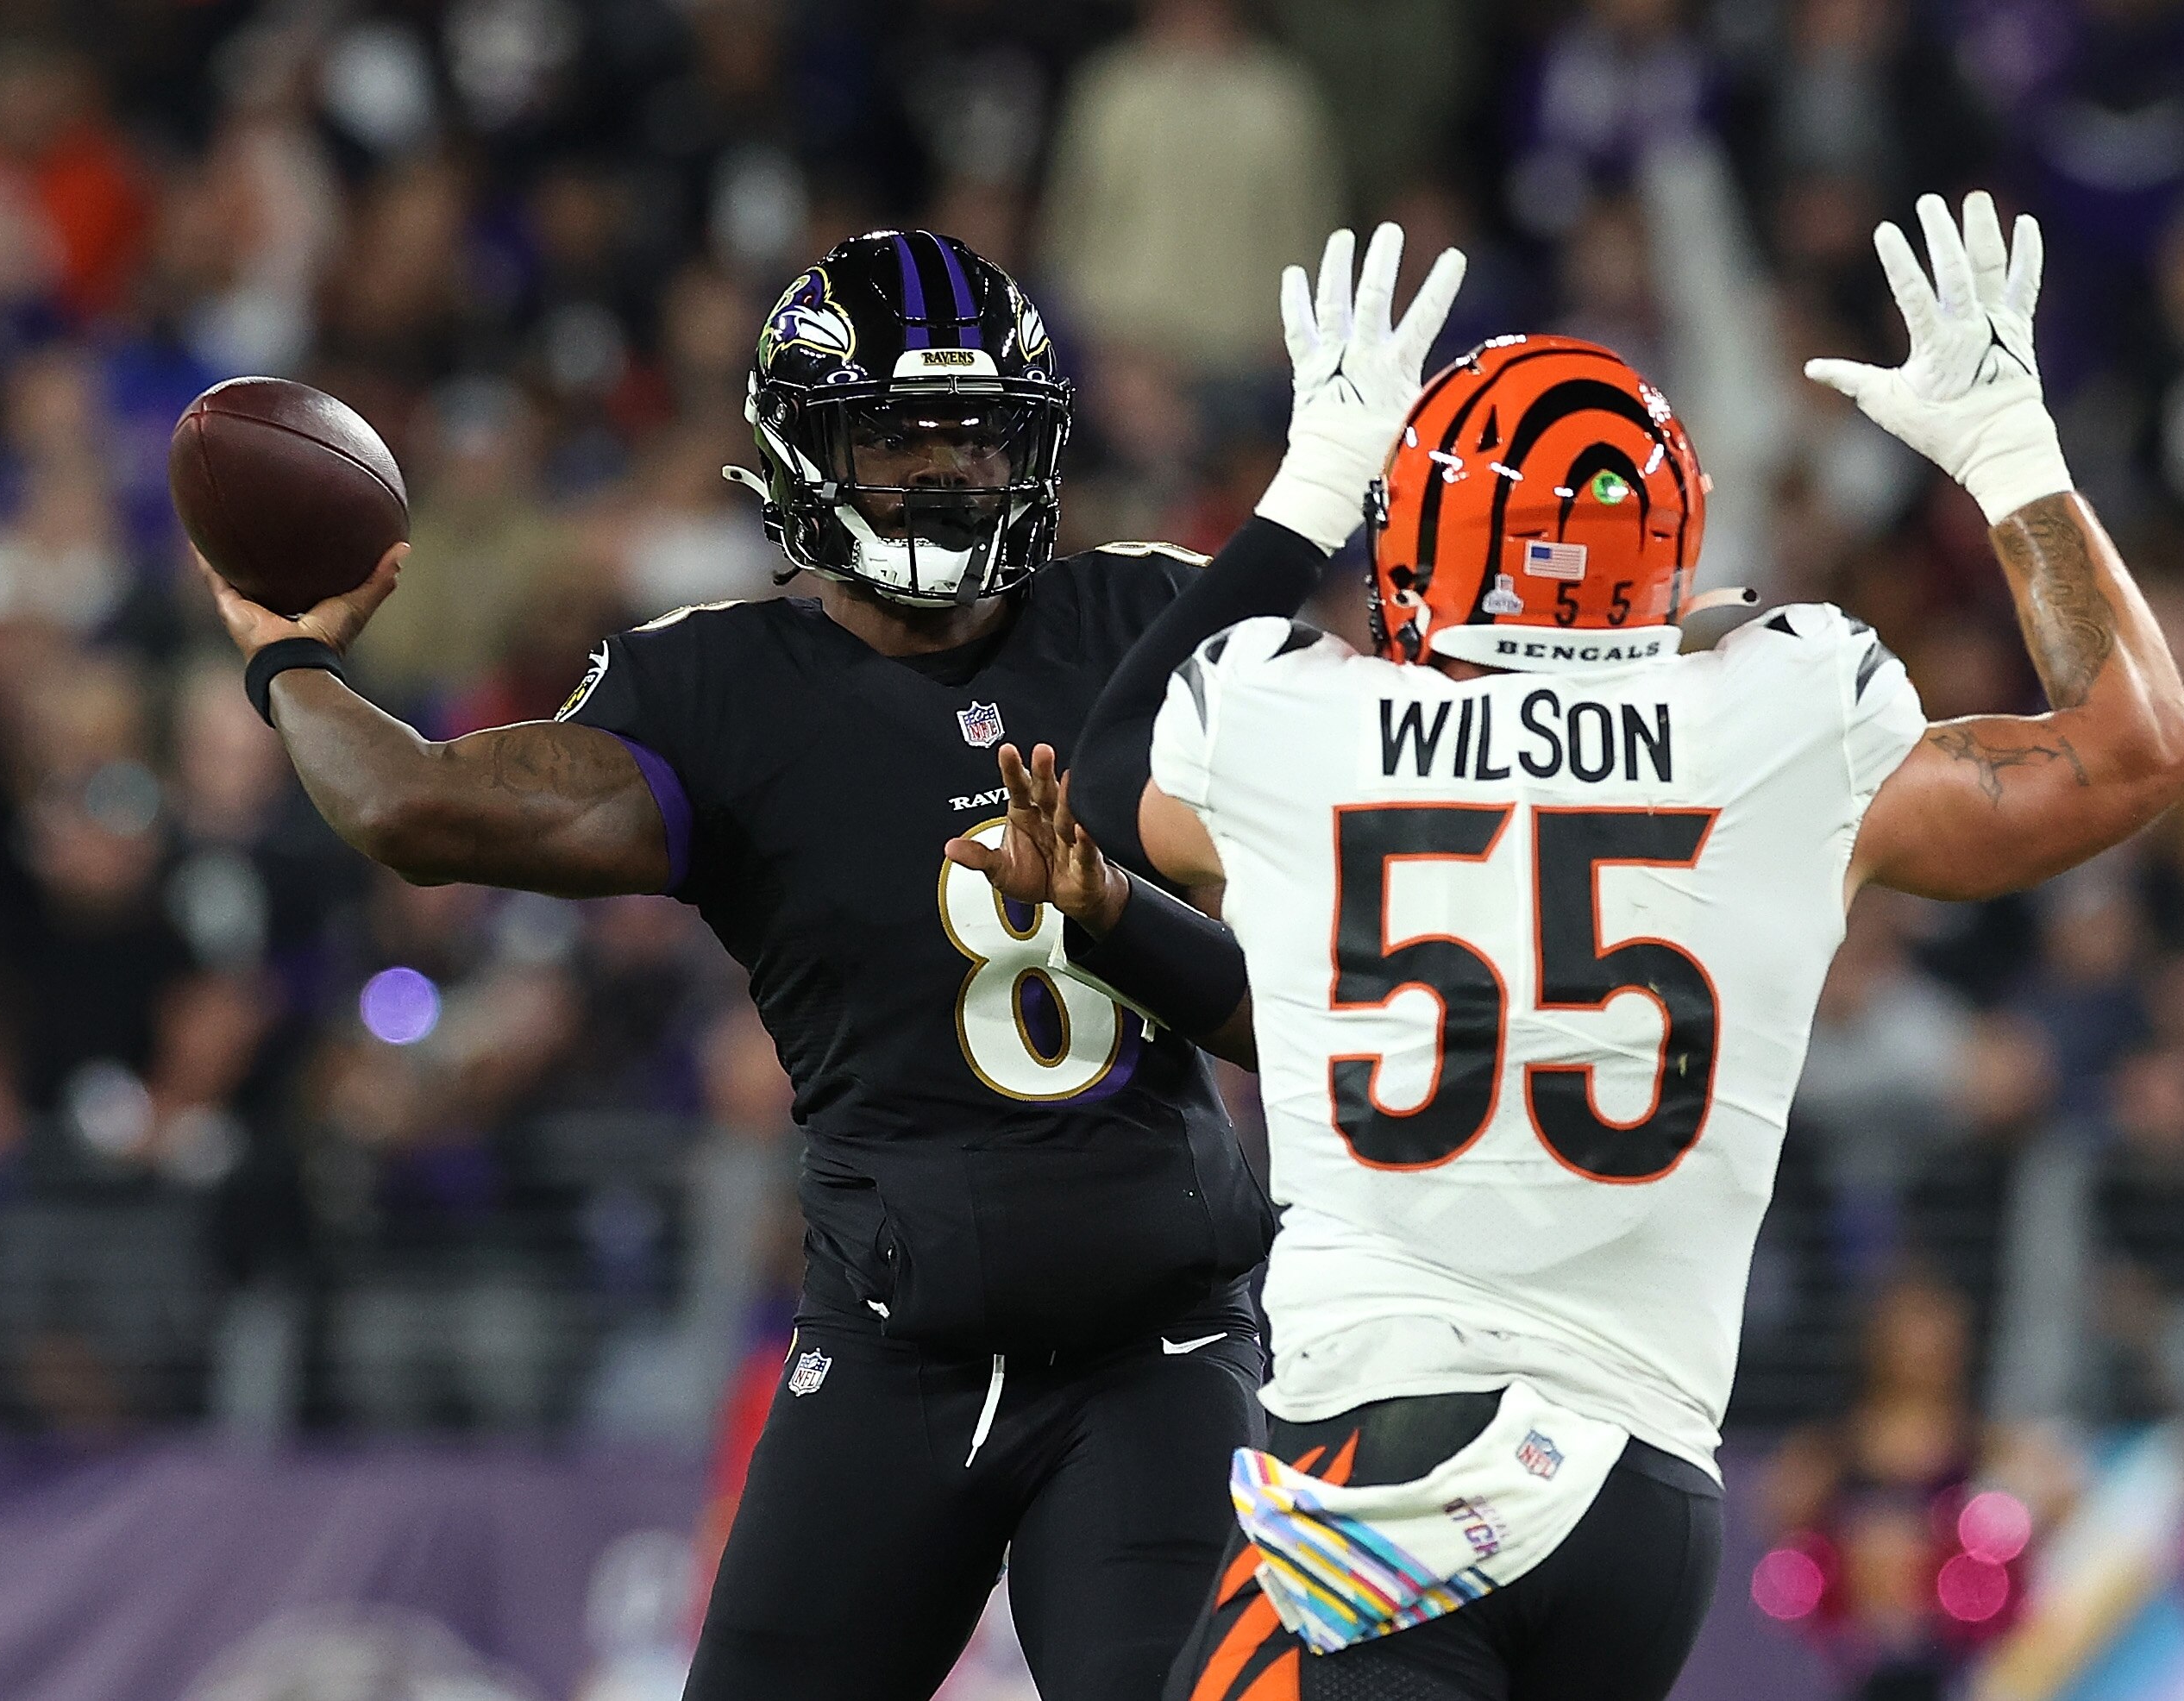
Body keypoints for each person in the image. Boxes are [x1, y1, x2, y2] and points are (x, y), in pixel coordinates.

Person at [196, 228, 1454, 1701]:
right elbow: (409, 808)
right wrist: (290, 656)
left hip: (1156, 1349)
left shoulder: (1142, 620)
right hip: (892, 1352)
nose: (944, 471)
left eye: (979, 438)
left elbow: (1399, 834)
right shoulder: (721, 687)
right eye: (896, 433)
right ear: (801, 452)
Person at [990, 196, 2184, 1698]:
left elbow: (1095, 787)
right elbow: (2133, 748)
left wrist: (1305, 489)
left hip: (1395, 1458)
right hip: (1643, 1496)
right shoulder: (1778, 716)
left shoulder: (1299, 722)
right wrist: (2013, 461)